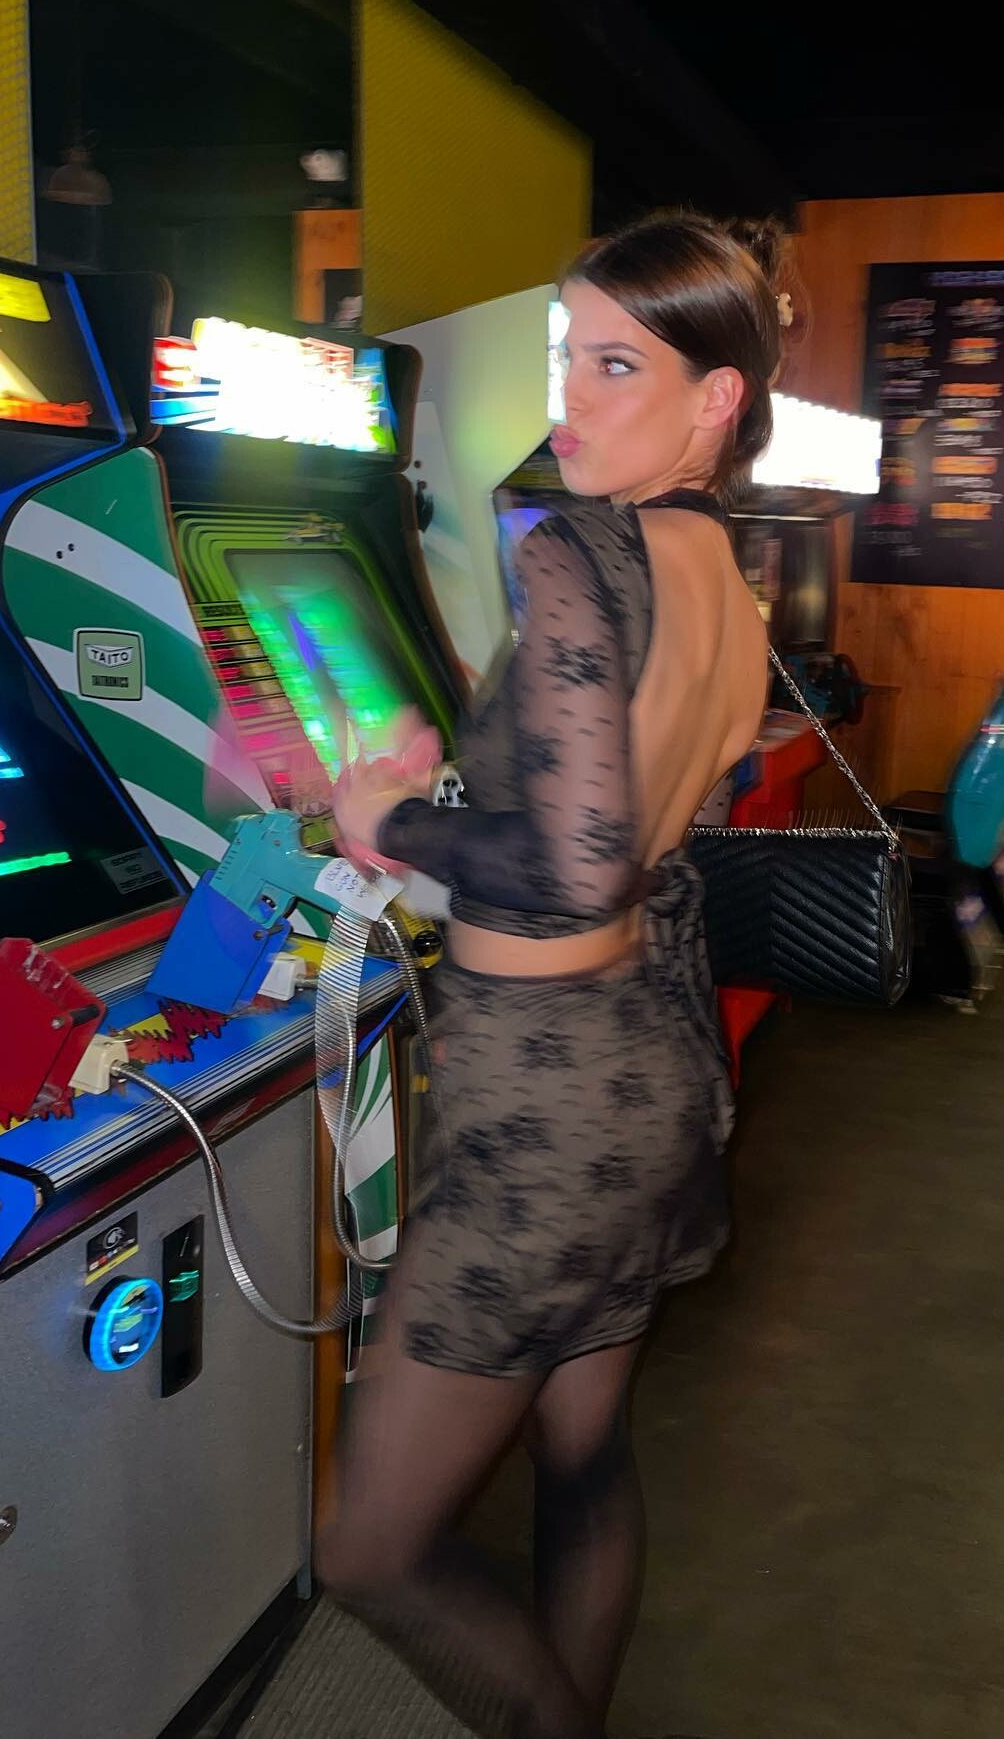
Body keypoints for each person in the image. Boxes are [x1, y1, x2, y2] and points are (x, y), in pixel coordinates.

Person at [319, 209, 784, 1738]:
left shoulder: (580, 548)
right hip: (659, 1065)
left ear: (716, 396)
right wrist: (450, 778)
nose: (566, 401)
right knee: (584, 1456)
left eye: (614, 365)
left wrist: (384, 818)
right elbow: (626, 822)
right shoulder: (721, 566)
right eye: (561, 357)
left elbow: (578, 867)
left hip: (551, 1109)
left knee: (367, 1553)